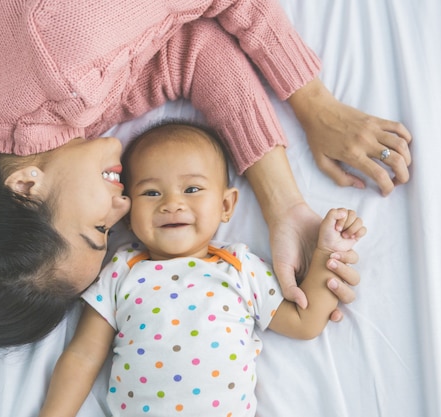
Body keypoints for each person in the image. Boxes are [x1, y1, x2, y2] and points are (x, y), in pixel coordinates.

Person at [0, 0, 409, 346]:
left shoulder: (63, 62)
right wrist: (284, 207)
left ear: (24, 188)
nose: (124, 206)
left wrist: (315, 105)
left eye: (96, 229)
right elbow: (189, 52)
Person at [38, 122, 366, 417]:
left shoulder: (241, 268)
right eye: (151, 192)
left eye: (192, 189)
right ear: (128, 214)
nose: (172, 203)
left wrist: (326, 253)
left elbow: (305, 322)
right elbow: (83, 356)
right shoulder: (120, 271)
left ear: (226, 206)